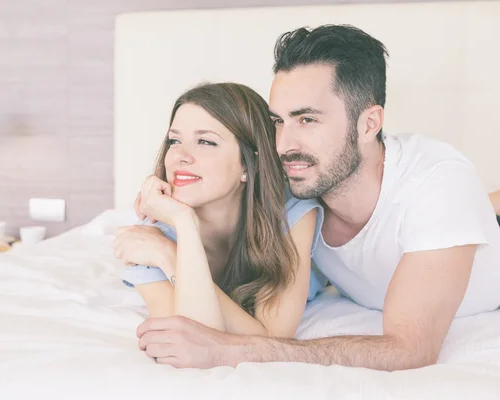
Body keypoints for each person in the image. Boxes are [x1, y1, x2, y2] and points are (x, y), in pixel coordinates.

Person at [134, 25, 500, 371]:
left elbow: (409, 349)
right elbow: (218, 175)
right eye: (278, 121)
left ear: (369, 124)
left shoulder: (438, 182)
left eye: (307, 120)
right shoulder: (300, 180)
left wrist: (231, 350)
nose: (284, 144)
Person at [112, 82, 327, 338]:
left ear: (250, 164)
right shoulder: (151, 239)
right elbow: (193, 337)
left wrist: (170, 257)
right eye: (174, 140)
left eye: (205, 141)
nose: (180, 155)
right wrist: (183, 223)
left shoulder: (291, 210)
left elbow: (274, 338)